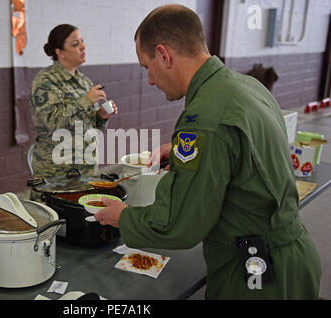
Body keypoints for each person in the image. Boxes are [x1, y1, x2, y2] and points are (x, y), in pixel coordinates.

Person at [95, 5, 322, 299]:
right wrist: (179, 153)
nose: (150, 80)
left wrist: (123, 217)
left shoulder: (203, 119)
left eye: (146, 67)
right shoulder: (247, 87)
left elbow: (180, 225)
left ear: (164, 55)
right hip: (293, 261)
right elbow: (240, 158)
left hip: (256, 276)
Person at [29, 24, 118, 179]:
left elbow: (90, 127)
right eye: (75, 44)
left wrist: (100, 117)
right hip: (56, 173)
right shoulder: (45, 81)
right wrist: (85, 101)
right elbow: (52, 123)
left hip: (85, 169)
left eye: (82, 41)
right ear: (60, 52)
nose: (83, 47)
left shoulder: (84, 82)